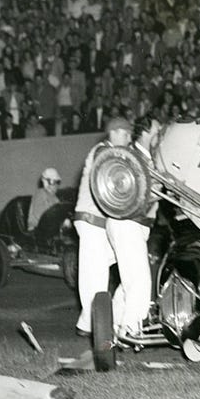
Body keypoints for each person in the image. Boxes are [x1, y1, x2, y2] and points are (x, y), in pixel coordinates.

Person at [73, 116, 134, 337]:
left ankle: (90, 322)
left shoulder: (107, 152)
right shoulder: (102, 152)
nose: (129, 140)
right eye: (126, 135)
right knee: (95, 273)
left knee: (103, 268)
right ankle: (90, 325)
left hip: (97, 220)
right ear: (115, 132)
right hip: (93, 220)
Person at [106, 115, 161, 337]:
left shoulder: (146, 157)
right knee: (140, 280)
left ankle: (113, 324)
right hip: (127, 223)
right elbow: (133, 195)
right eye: (158, 129)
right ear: (146, 131)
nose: (160, 133)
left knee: (130, 279)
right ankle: (131, 329)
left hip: (134, 226)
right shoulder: (134, 157)